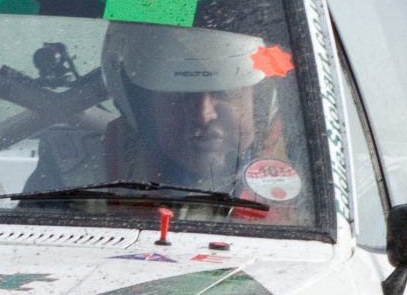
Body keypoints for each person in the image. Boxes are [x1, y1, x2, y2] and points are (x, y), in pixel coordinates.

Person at [97, 21, 307, 220]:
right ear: (143, 112)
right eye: (180, 96)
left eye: (224, 92)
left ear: (260, 104)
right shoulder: (88, 183)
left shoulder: (312, 178)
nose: (203, 115)